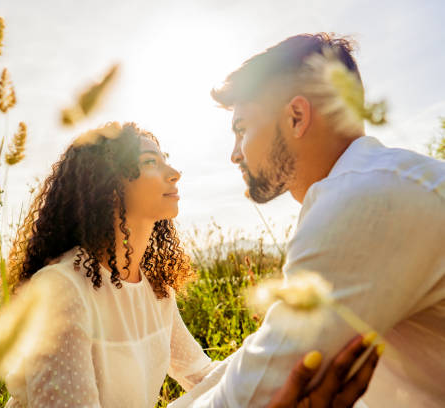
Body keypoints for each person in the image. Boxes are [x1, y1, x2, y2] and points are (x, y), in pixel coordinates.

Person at [2, 122, 380, 408]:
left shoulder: (154, 289)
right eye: (150, 162)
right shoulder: (61, 290)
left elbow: (200, 376)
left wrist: (290, 355)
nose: (174, 172)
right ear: (107, 183)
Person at [169, 33, 445, 407]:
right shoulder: (374, 183)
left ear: (296, 117)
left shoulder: (361, 201)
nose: (235, 154)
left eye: (242, 129)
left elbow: (252, 395)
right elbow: (261, 357)